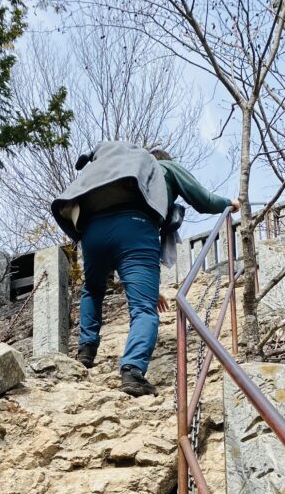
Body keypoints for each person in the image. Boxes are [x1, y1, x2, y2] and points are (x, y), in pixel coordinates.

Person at [51, 141, 240, 396]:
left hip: (92, 230)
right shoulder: (166, 168)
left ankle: (86, 350)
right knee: (143, 310)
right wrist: (231, 203)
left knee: (93, 289)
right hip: (136, 227)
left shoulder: (116, 169)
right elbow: (204, 200)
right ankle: (132, 371)